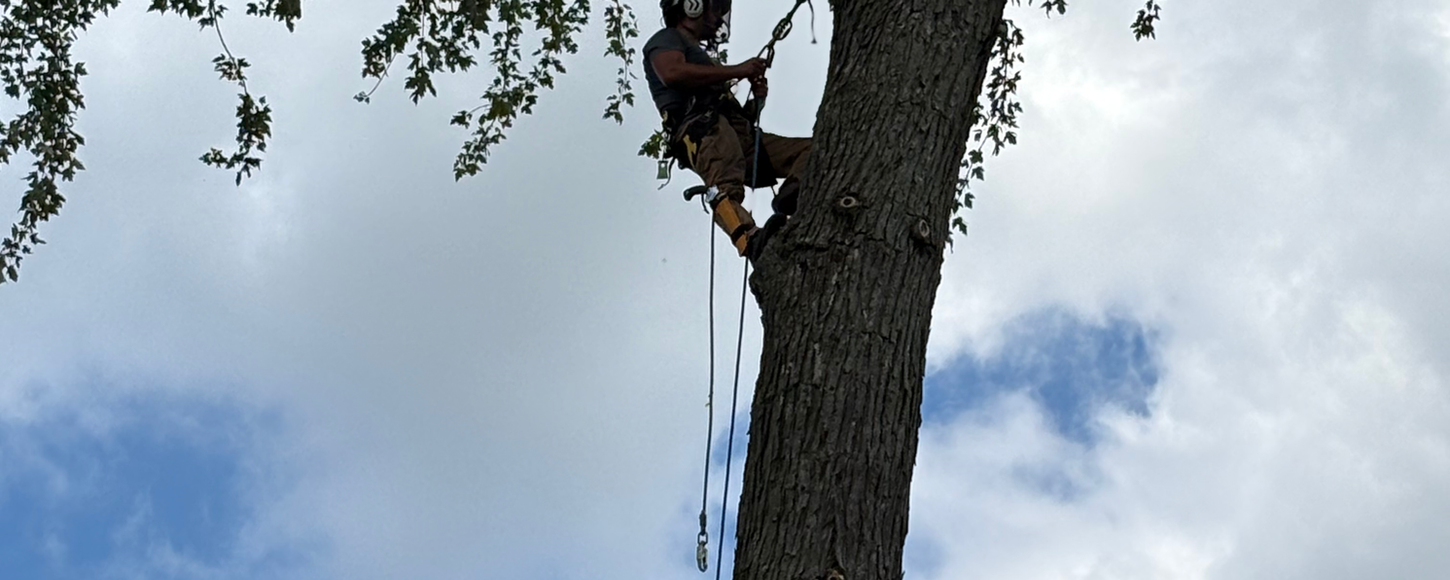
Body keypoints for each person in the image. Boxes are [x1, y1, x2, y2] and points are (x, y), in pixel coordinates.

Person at [643, 0, 812, 260]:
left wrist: (757, 100)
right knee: (726, 187)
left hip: (739, 134)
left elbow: (733, 112)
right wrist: (739, 70)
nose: (718, 18)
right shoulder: (667, 39)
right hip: (705, 131)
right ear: (692, 5)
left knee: (812, 151)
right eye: (713, 9)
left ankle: (795, 191)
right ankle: (750, 239)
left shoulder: (705, 62)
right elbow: (672, 73)